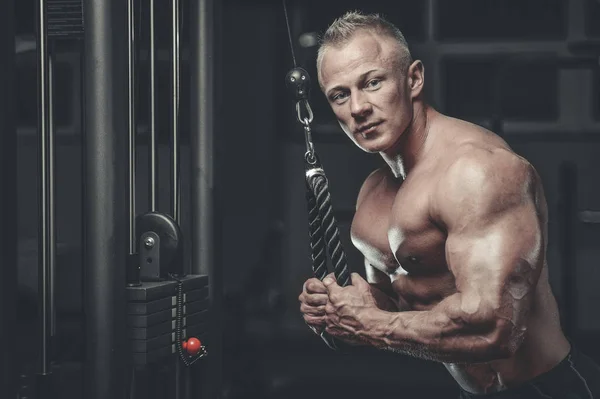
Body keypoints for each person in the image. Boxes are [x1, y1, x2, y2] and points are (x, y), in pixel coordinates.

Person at [298, 10, 600, 398]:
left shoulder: (477, 171)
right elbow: (404, 302)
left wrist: (369, 325)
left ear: (414, 79)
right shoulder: (373, 194)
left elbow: (497, 328)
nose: (358, 108)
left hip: (546, 389)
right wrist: (342, 307)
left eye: (372, 83)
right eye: (340, 95)